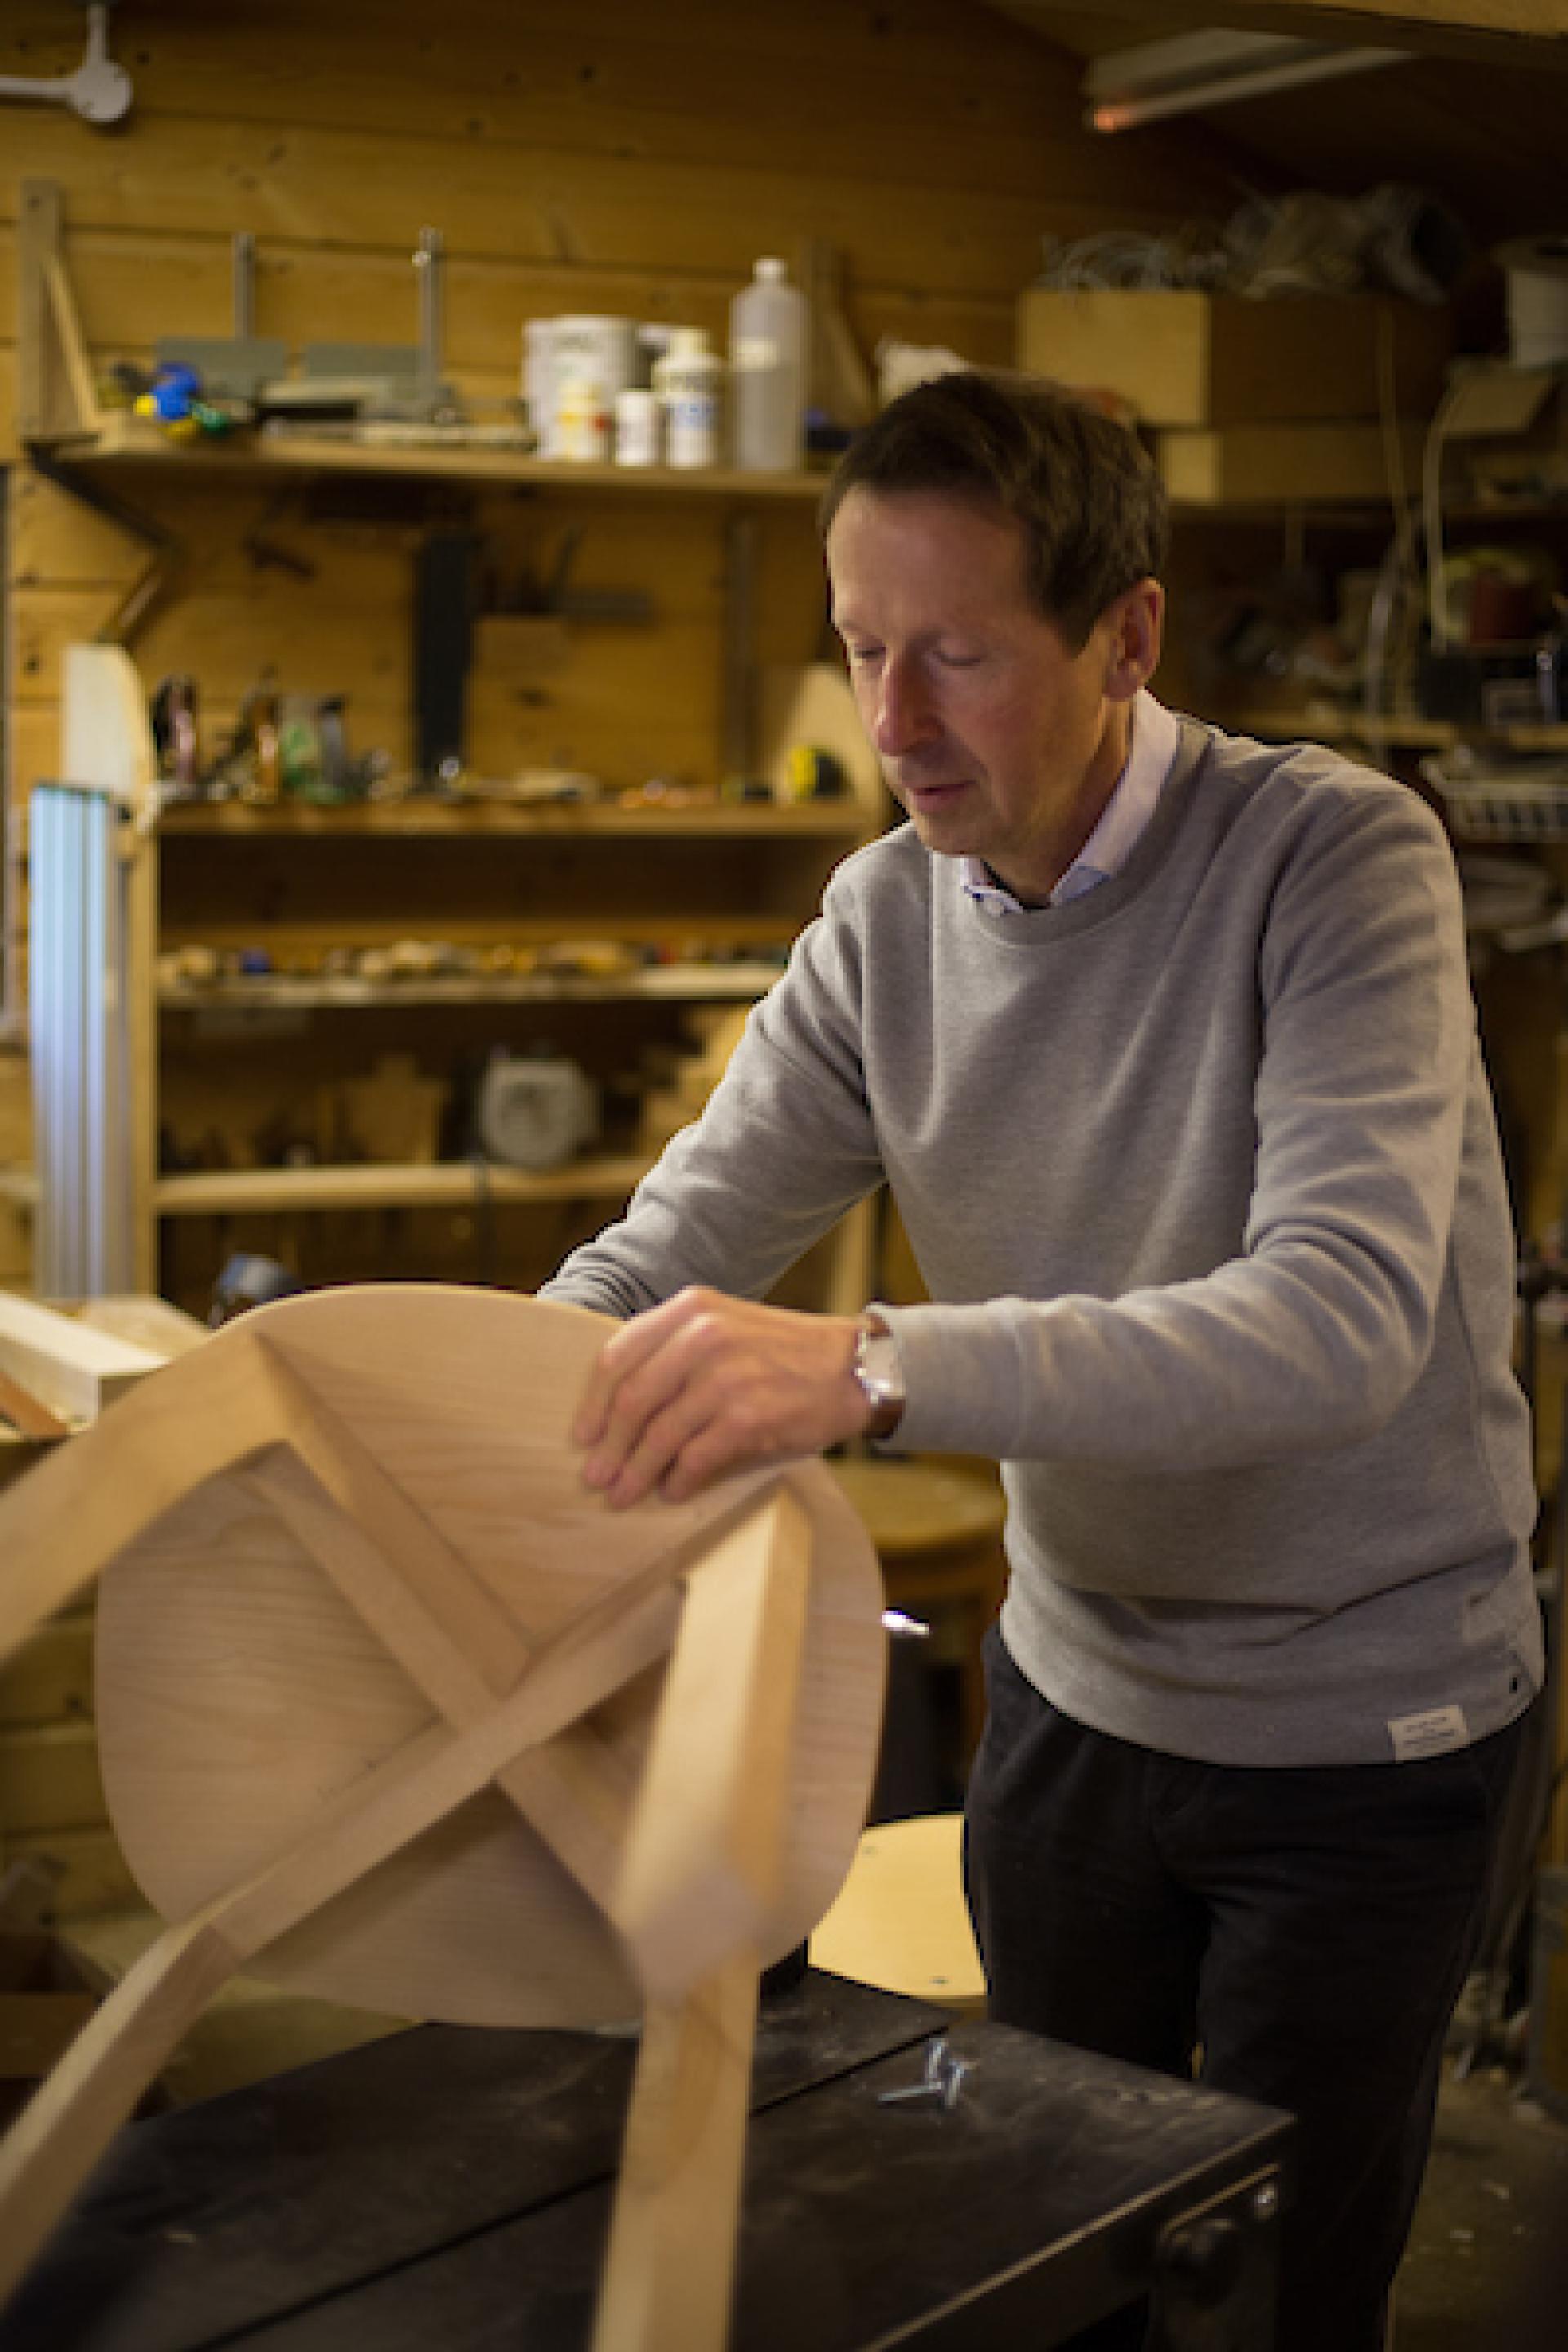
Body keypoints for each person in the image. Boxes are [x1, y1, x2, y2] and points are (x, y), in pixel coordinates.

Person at [541, 368, 1544, 2352]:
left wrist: (874, 1366)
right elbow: (667, 1250)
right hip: (1079, 1704)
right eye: (859, 655)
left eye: (958, 658)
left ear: (1128, 636)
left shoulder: (1337, 861)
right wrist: (462, 1420)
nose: (893, 727)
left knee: (1261, 2307)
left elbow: (1338, 1319)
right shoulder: (882, 921)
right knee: (1047, 2270)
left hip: (1365, 1742)